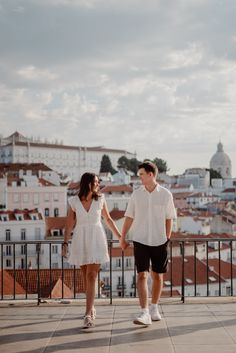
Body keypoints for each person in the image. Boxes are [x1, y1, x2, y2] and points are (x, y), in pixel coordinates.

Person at [120, 161, 176, 326]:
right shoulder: (136, 194)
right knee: (142, 274)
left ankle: (154, 307)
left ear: (151, 174)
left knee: (158, 276)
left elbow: (169, 218)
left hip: (160, 241)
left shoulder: (166, 195)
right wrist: (123, 237)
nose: (139, 177)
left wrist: (166, 237)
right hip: (141, 240)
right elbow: (129, 216)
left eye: (141, 174)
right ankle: (144, 312)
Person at [62, 172, 121, 329]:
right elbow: (69, 225)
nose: (98, 184)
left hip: (96, 239)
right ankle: (92, 307)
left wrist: (120, 237)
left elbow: (108, 219)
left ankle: (87, 314)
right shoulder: (74, 201)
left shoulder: (100, 199)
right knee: (86, 277)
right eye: (96, 182)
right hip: (80, 240)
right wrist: (65, 244)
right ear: (88, 183)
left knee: (92, 275)